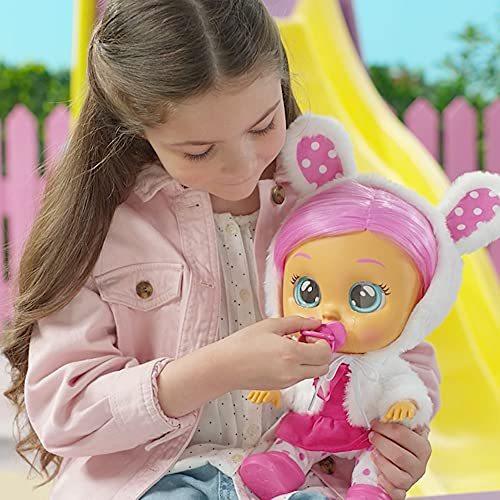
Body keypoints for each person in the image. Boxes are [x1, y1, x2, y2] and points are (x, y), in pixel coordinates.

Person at [1, 1, 438, 498]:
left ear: (281, 85)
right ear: (137, 127)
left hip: (303, 477)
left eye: (263, 126)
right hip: (153, 483)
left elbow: (399, 344)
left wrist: (400, 440)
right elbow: (65, 410)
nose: (242, 164)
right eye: (199, 150)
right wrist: (221, 368)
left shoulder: (329, 211)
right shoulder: (106, 226)